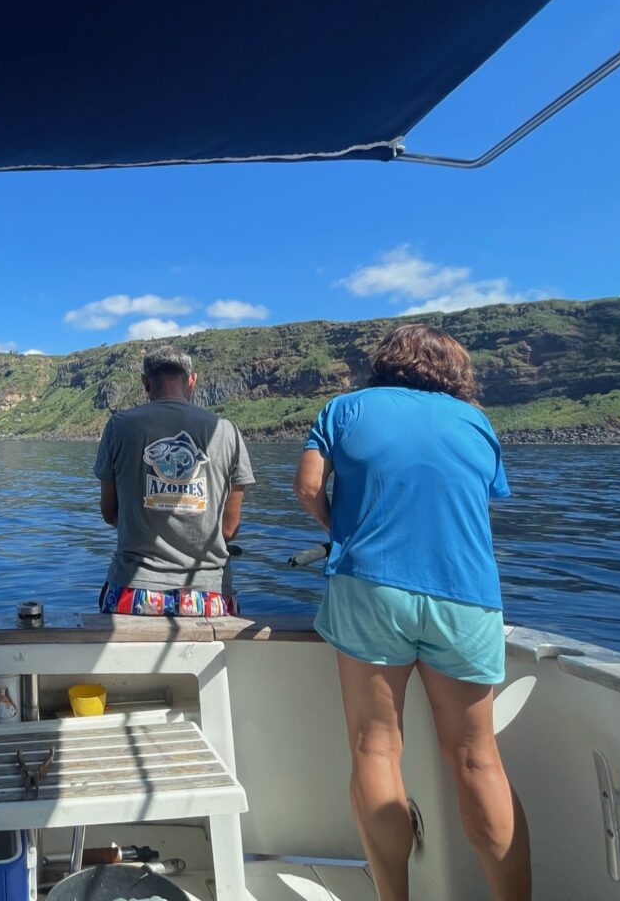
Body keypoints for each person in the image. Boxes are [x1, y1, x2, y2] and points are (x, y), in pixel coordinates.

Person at [292, 324, 531, 901]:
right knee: (478, 760)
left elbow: (306, 487)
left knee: (376, 748)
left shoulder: (343, 409)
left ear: (385, 363)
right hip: (467, 595)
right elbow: (478, 494)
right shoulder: (475, 420)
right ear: (453, 370)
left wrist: (339, 531)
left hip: (370, 587)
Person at [93, 344, 254, 616]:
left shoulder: (119, 426)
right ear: (192, 381)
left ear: (146, 383)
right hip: (207, 598)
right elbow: (228, 529)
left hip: (132, 595)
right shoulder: (227, 432)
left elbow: (110, 513)